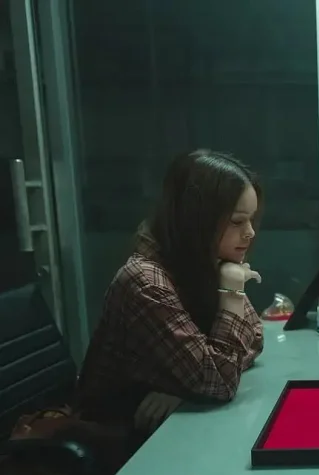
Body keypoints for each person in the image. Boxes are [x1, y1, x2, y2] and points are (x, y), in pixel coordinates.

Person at [76, 149, 264, 434]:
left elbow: (254, 338)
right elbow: (221, 381)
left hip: (172, 426)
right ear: (197, 220)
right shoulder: (146, 282)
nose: (250, 232)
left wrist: (190, 387)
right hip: (119, 437)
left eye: (251, 219)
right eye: (237, 221)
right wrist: (231, 293)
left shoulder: (202, 261)